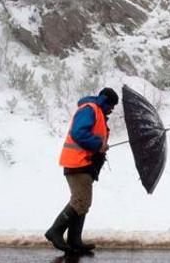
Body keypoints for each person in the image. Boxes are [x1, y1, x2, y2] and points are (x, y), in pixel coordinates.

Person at [45, 87, 119, 254]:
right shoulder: (89, 109)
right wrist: (98, 144)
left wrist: (101, 147)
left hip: (84, 163)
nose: (112, 109)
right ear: (104, 100)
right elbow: (78, 133)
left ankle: (74, 241)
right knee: (81, 201)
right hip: (77, 162)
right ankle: (55, 231)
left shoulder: (97, 112)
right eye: (111, 105)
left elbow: (92, 136)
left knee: (82, 202)